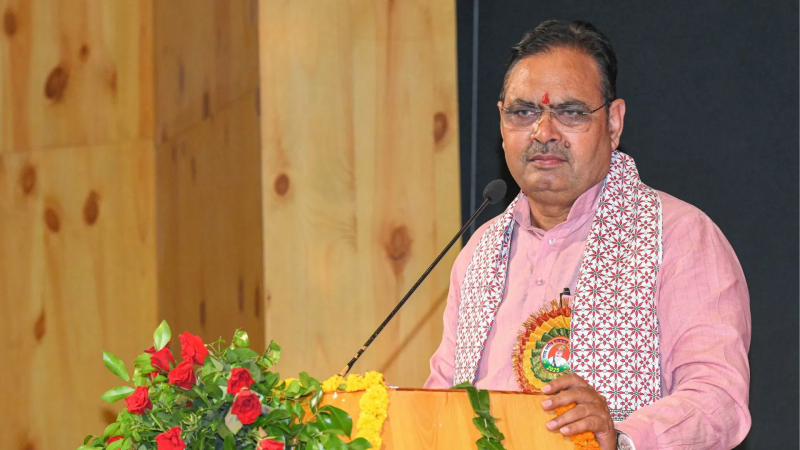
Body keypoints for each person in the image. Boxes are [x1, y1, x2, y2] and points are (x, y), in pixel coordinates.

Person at [424, 20, 751, 450]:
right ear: (501, 123)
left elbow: (718, 400)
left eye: (571, 112)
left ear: (613, 123)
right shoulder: (480, 251)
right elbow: (440, 401)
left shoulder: (679, 237)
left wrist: (621, 438)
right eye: (523, 112)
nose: (544, 132)